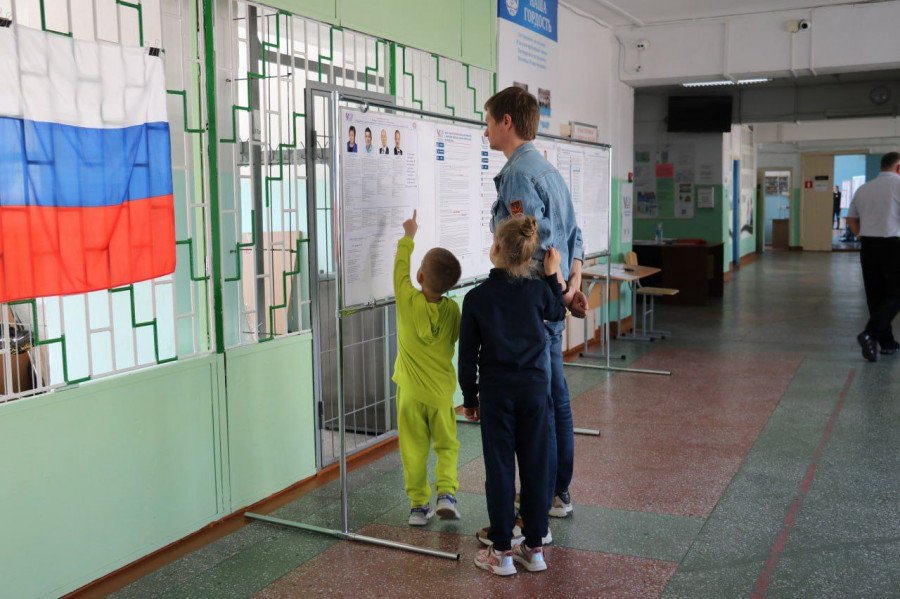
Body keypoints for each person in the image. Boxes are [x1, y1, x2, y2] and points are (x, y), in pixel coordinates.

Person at [478, 86, 589, 538]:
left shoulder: (519, 175)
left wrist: (558, 291)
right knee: (555, 401)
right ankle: (557, 493)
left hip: (531, 309)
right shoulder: (549, 170)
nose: (484, 129)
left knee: (539, 408)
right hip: (552, 299)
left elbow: (532, 247)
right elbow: (574, 236)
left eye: (487, 121)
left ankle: (538, 509)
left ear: (507, 121)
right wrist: (570, 286)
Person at [459, 215, 567, 576]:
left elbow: (467, 356)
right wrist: (552, 274)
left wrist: (470, 399)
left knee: (500, 468)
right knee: (537, 465)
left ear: (496, 248)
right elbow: (556, 309)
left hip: (496, 395)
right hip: (536, 391)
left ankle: (502, 551)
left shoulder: (476, 298)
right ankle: (535, 549)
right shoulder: (539, 291)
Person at [392, 210, 463, 525]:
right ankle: (446, 492)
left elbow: (399, 271)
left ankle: (419, 506)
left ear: (419, 277)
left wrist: (409, 237)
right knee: (447, 445)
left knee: (413, 449)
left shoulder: (407, 301)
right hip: (440, 395)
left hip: (410, 394)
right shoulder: (452, 311)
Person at [847, 151, 900, 362]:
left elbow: (850, 219)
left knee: (876, 296)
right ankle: (870, 333)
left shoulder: (863, 189)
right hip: (894, 246)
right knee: (896, 294)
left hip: (868, 247)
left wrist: (862, 235)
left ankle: (886, 343)